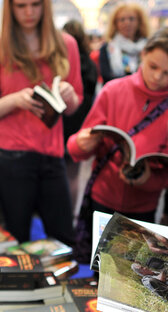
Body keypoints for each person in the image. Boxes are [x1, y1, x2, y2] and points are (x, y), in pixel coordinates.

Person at [0, 0, 83, 246]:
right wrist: (14, 100)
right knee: (14, 240)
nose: (29, 12)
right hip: (12, 158)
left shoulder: (67, 44)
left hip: (52, 155)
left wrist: (69, 95)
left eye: (35, 4)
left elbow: (75, 105)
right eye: (21, 6)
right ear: (10, 8)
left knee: (63, 239)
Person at [67, 26, 168, 223]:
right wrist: (82, 143)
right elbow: (75, 147)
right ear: (143, 54)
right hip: (101, 196)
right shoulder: (113, 90)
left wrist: (148, 179)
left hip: (144, 207)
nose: (157, 77)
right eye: (153, 67)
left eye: (167, 73)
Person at [61, 19, 99, 215]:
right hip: (82, 121)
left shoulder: (62, 65)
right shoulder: (91, 64)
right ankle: (70, 213)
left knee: (59, 171)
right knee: (73, 173)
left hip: (62, 122)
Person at [98, 3, 149, 84]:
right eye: (122, 19)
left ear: (139, 22)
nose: (127, 23)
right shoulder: (107, 48)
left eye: (131, 19)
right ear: (115, 24)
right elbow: (106, 77)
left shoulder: (148, 47)